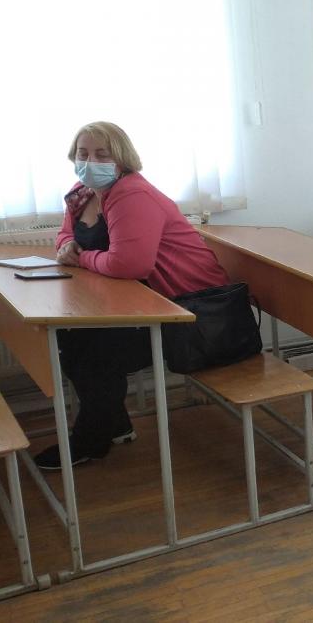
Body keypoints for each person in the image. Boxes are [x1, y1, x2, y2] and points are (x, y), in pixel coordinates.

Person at [36, 121, 231, 469]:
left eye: (102, 154)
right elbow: (65, 234)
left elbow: (130, 264)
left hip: (191, 310)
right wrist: (67, 247)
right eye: (83, 154)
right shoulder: (83, 192)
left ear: (122, 158)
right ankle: (114, 423)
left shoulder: (132, 195)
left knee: (98, 355)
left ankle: (91, 440)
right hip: (142, 300)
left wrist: (82, 258)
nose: (90, 162)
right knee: (71, 339)